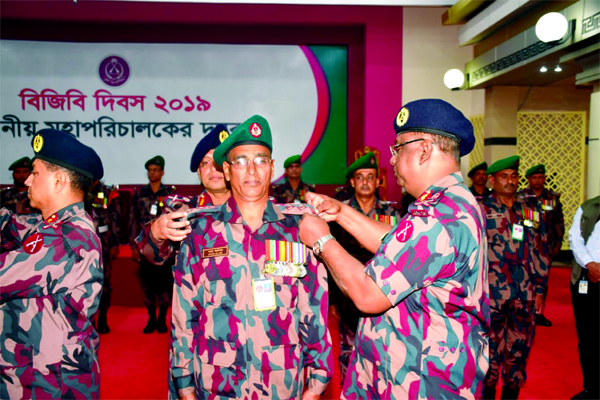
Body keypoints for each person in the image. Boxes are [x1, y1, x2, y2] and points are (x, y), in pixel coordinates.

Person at [298, 98, 489, 399]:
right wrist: (342, 213)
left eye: (398, 149)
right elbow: (399, 242)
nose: (391, 160)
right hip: (410, 371)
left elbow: (368, 294)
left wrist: (322, 240)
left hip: (421, 381)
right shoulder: (450, 202)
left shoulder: (438, 216)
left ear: (424, 150)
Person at [170, 115, 333, 400]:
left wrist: (317, 383)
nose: (252, 171)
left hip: (282, 384)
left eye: (260, 160)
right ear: (228, 170)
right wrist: (184, 384)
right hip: (217, 383)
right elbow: (185, 315)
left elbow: (314, 310)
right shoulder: (201, 232)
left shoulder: (298, 229)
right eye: (241, 161)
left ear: (271, 168)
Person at [0, 128, 104, 398]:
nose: (27, 181)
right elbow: (10, 224)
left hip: (50, 385)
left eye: (35, 173)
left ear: (58, 181)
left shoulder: (68, 238)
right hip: (31, 374)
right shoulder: (51, 226)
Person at [329, 151, 403, 385]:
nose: (365, 182)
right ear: (352, 182)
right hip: (349, 293)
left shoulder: (392, 213)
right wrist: (333, 300)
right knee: (349, 350)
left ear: (378, 181)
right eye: (360, 177)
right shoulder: (338, 213)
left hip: (384, 294)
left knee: (383, 352)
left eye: (370, 177)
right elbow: (331, 257)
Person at [479, 156, 550, 400]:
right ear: (492, 180)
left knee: (518, 353)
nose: (510, 181)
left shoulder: (530, 209)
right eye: (503, 176)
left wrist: (540, 290)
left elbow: (541, 250)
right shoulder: (481, 210)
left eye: (513, 176)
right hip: (491, 297)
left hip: (525, 295)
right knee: (488, 355)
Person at [137, 124, 231, 263]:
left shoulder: (254, 208)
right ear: (199, 172)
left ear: (232, 168)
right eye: (206, 162)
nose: (213, 168)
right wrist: (156, 233)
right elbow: (152, 256)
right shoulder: (183, 211)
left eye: (219, 161)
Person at [129, 155, 176, 333]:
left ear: (162, 172)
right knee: (147, 286)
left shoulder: (169, 195)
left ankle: (162, 320)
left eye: (155, 170)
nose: (152, 173)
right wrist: (134, 246)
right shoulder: (139, 194)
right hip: (144, 248)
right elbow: (133, 220)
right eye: (149, 170)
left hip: (165, 248)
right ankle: (151, 320)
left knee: (164, 286)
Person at [518, 163, 565, 327]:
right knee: (525, 278)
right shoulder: (521, 197)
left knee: (542, 279)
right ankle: (524, 312)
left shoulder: (552, 198)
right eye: (534, 177)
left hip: (546, 246)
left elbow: (559, 221)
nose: (538, 180)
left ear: (544, 178)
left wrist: (558, 242)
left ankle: (539, 313)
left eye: (540, 177)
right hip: (526, 246)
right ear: (529, 179)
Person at [568, 195, 599, 400]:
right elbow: (574, 238)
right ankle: (592, 388)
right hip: (587, 279)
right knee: (588, 338)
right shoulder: (589, 207)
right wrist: (589, 264)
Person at [85, 180, 120, 334]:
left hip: (103, 244)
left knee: (104, 284)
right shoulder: (78, 190)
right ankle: (89, 322)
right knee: (85, 284)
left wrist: (114, 243)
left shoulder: (108, 192)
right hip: (83, 245)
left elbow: (115, 218)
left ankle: (103, 319)